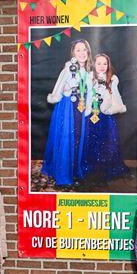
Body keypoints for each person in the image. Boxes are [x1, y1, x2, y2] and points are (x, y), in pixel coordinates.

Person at [41, 39, 93, 186]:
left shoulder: (89, 73)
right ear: (73, 53)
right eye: (78, 50)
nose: (82, 53)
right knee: (66, 138)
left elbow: (91, 93)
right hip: (68, 109)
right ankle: (64, 171)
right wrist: (69, 85)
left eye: (84, 50)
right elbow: (58, 91)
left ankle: (75, 168)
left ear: (88, 52)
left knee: (78, 137)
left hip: (81, 110)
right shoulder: (68, 69)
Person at [80, 53, 129, 182]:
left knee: (107, 142)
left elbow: (116, 98)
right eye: (99, 63)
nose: (102, 67)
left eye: (104, 64)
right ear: (94, 65)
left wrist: (106, 92)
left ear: (108, 66)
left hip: (106, 117)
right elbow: (85, 97)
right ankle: (91, 168)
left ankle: (106, 169)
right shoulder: (89, 78)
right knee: (91, 141)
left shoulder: (112, 79)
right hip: (92, 115)